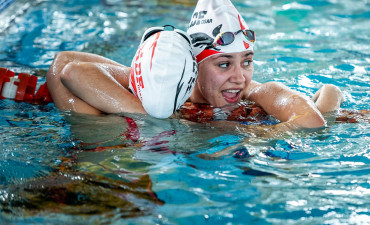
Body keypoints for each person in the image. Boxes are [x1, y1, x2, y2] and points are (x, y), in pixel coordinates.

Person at [46, 0, 343, 130]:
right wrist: (158, 117)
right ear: (193, 67)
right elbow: (69, 68)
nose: (240, 78)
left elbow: (310, 119)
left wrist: (247, 135)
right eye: (224, 64)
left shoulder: (258, 95)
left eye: (247, 61)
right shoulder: (165, 88)